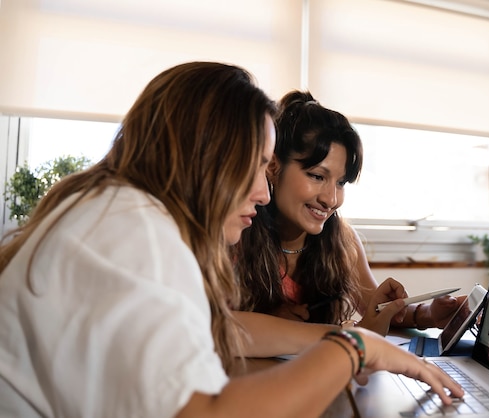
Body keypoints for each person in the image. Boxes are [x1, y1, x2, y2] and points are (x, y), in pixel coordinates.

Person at [0, 62, 463, 417]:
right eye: (258, 165)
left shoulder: (122, 213)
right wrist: (351, 349)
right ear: (209, 155)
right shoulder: (137, 231)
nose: (262, 192)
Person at [235, 90, 464, 336]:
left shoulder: (342, 241)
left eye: (341, 182)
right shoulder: (236, 233)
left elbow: (375, 311)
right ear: (272, 166)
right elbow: (213, 326)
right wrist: (266, 322)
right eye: (317, 176)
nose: (331, 200)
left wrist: (428, 313)